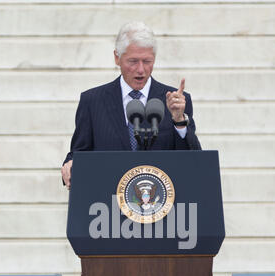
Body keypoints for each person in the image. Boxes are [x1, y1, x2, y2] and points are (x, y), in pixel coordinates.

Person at [61, 22, 201, 188]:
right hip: (107, 204)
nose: (141, 69)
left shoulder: (176, 102)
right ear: (117, 58)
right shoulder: (92, 101)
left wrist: (179, 121)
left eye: (147, 61)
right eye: (133, 61)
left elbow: (193, 162)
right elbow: (79, 154)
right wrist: (70, 164)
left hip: (161, 204)